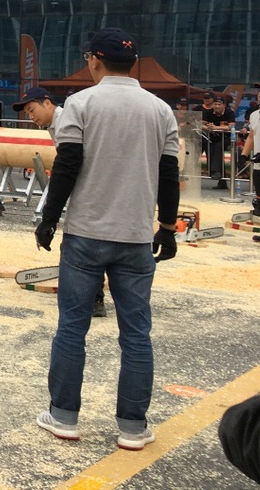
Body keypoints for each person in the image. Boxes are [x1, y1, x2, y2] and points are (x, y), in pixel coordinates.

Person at [32, 27, 179, 452]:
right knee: (136, 335)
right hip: (135, 236)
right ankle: (132, 426)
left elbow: (67, 167)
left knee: (71, 328)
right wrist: (168, 228)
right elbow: (169, 176)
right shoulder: (160, 110)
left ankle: (64, 417)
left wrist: (48, 220)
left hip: (86, 233)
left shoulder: (81, 104)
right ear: (132, 63)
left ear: (95, 59)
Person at [14, 87, 108, 318]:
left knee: (83, 244)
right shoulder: (54, 124)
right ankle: (91, 296)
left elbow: (66, 166)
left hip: (94, 185)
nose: (31, 116)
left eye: (32, 110)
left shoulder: (66, 119)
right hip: (90, 184)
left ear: (47, 103)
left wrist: (50, 217)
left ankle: (92, 298)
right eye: (27, 113)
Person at [203, 95, 233, 190]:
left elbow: (231, 126)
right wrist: (208, 127)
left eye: (219, 104)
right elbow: (201, 124)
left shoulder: (229, 112)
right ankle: (221, 181)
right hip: (211, 137)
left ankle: (215, 171)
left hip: (226, 138)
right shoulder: (208, 112)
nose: (217, 106)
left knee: (218, 148)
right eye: (215, 104)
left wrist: (217, 128)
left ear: (223, 105)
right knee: (213, 153)